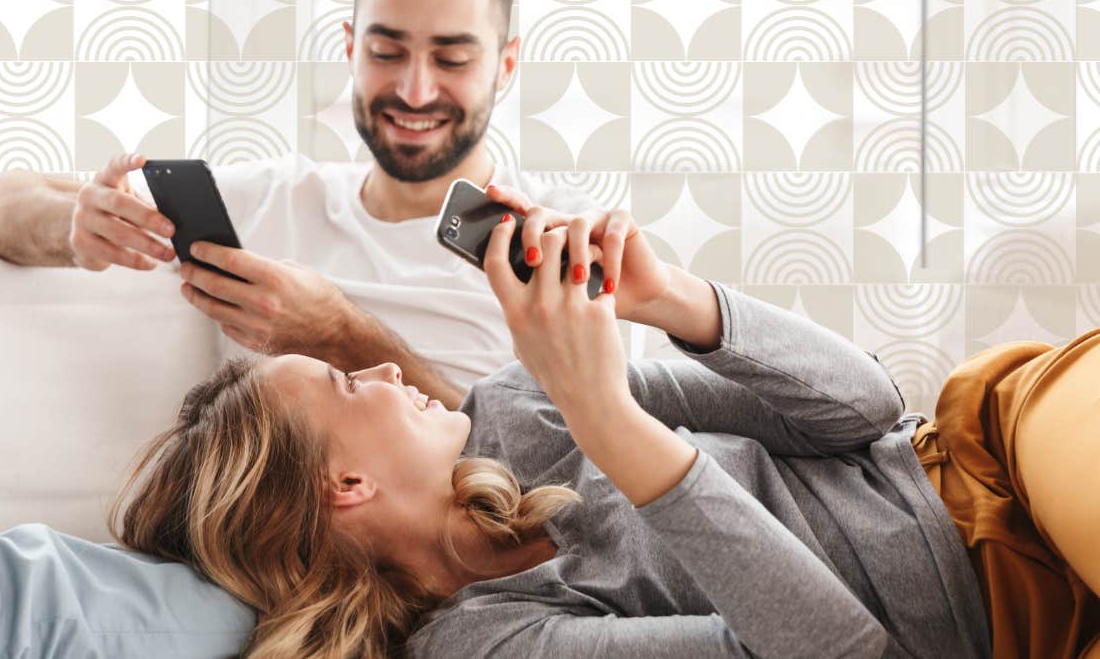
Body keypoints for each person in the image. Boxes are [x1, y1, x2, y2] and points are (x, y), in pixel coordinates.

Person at [106, 184, 1100, 659]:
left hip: (987, 454)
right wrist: (613, 425)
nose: (382, 374)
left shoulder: (517, 407)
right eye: (348, 387)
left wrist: (676, 302)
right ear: (343, 487)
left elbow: (864, 410)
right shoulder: (483, 644)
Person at [0, 0, 598, 409]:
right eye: (386, 52)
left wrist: (342, 335)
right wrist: (75, 230)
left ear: (507, 64)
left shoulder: (555, 253)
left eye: (453, 58)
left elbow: (561, 490)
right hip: (221, 565)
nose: (415, 90)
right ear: (349, 47)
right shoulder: (273, 200)